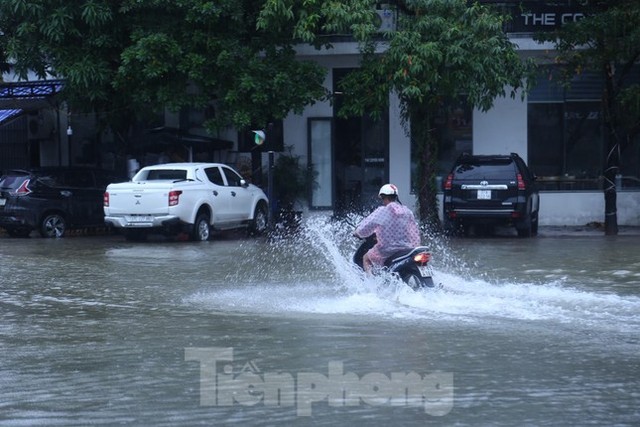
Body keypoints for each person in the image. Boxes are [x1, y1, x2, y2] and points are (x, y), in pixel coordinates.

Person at [354, 184, 421, 274]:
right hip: (406, 249)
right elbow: (414, 234)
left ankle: (370, 285)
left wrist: (357, 233)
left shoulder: (382, 211)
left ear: (383, 197)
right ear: (396, 197)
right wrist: (415, 246)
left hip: (387, 250)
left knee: (366, 258)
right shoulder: (407, 212)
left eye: (382, 198)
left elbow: (366, 226)